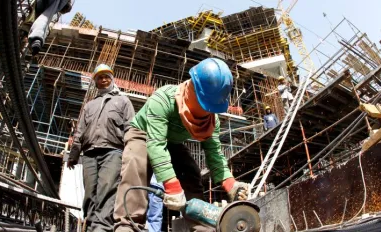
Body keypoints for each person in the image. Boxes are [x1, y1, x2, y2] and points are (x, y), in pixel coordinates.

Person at [113, 58, 249, 232]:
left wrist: (231, 184)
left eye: (212, 108)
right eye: (205, 105)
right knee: (136, 163)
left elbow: (214, 154)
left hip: (171, 141)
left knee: (191, 173)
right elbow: (155, 144)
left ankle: (202, 227)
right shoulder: (163, 99)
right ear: (192, 88)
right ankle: (127, 225)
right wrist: (171, 184)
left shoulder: (211, 120)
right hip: (143, 132)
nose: (208, 112)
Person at [67, 64, 135, 232]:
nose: (103, 80)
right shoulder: (90, 105)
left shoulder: (123, 101)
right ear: (95, 82)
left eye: (107, 77)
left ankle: (102, 228)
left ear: (112, 79)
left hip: (113, 151)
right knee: (90, 193)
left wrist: (131, 154)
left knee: (107, 190)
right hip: (89, 153)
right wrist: (73, 155)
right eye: (100, 77)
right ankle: (90, 227)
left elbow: (131, 128)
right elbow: (80, 131)